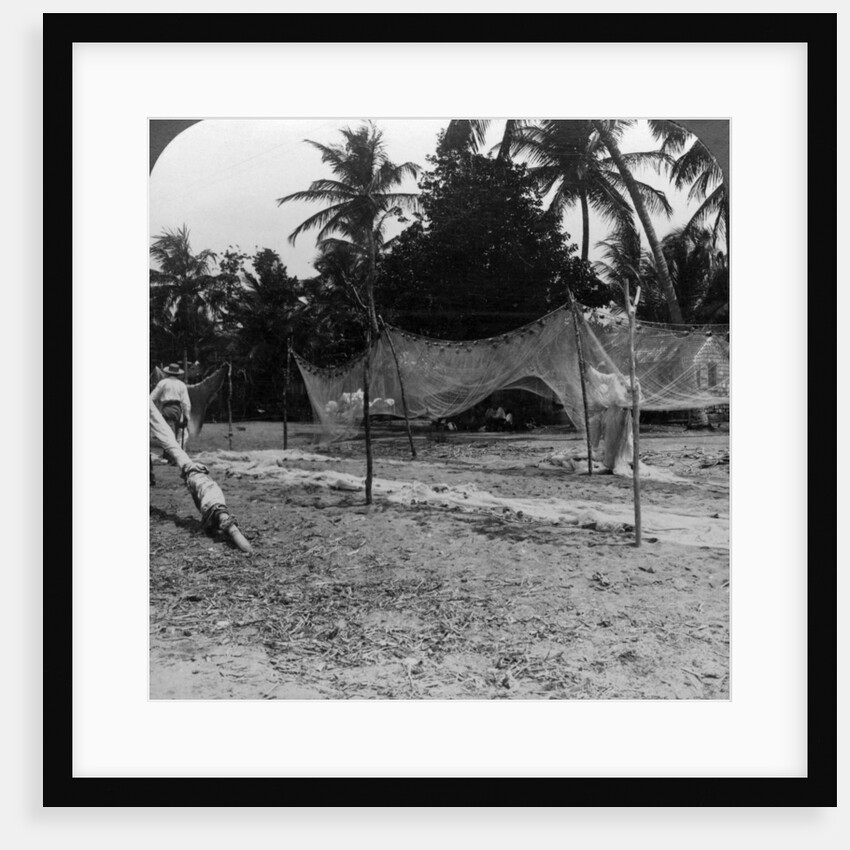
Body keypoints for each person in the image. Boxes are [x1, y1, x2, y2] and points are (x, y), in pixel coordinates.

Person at [151, 363, 192, 452]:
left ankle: (171, 454)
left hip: (166, 408)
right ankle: (173, 453)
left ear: (167, 373)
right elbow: (186, 402)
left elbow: (152, 398)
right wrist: (186, 415)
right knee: (177, 432)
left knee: (167, 432)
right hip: (177, 409)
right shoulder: (181, 385)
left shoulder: (163, 383)